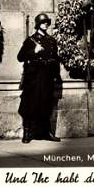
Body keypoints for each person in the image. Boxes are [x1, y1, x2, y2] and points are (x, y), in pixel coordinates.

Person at [17, 12, 61, 143]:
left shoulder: (52, 41)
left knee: (46, 105)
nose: (45, 24)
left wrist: (55, 73)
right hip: (34, 78)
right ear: (38, 24)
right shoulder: (31, 40)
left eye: (47, 22)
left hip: (47, 77)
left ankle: (46, 132)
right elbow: (20, 57)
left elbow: (55, 58)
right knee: (29, 105)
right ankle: (27, 133)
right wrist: (33, 51)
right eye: (43, 22)